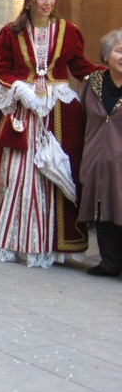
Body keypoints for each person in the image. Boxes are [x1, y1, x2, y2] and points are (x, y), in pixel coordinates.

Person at [0, 0, 100, 267]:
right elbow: (0, 69)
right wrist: (19, 87)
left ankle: (52, 246)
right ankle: (12, 240)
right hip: (21, 112)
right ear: (29, 0)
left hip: (59, 112)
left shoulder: (69, 32)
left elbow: (81, 67)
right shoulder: (10, 32)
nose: (47, 3)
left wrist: (111, 77)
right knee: (16, 174)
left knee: (54, 175)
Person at [79, 28, 122, 277]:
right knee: (102, 210)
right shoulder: (91, 84)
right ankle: (110, 263)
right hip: (96, 159)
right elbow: (82, 119)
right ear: (106, 56)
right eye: (119, 51)